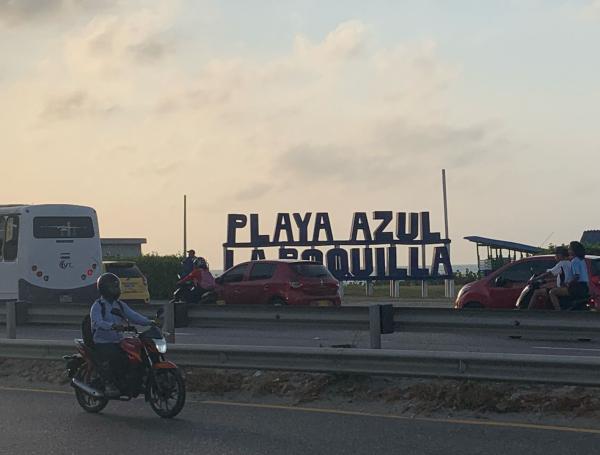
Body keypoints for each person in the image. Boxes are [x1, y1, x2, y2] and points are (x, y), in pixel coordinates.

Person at [91, 273, 152, 397]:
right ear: (104, 289)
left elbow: (133, 315)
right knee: (115, 357)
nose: (116, 290)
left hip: (118, 340)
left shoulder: (119, 304)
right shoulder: (98, 306)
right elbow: (97, 322)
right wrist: (112, 326)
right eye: (112, 288)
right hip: (103, 342)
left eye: (116, 287)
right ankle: (109, 384)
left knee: (135, 356)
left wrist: (150, 322)